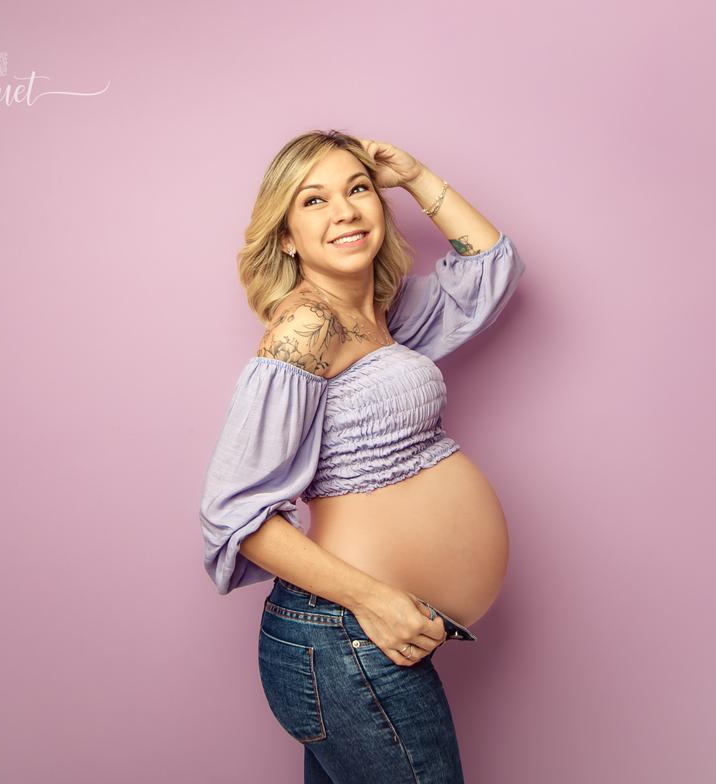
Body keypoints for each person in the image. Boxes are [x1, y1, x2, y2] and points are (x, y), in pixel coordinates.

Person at [199, 130, 525, 783]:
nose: (346, 211)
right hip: (346, 635)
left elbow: (492, 265)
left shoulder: (382, 313)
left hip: (356, 638)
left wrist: (415, 174)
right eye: (313, 201)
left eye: (358, 190)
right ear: (286, 236)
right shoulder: (308, 327)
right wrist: (374, 601)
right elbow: (234, 514)